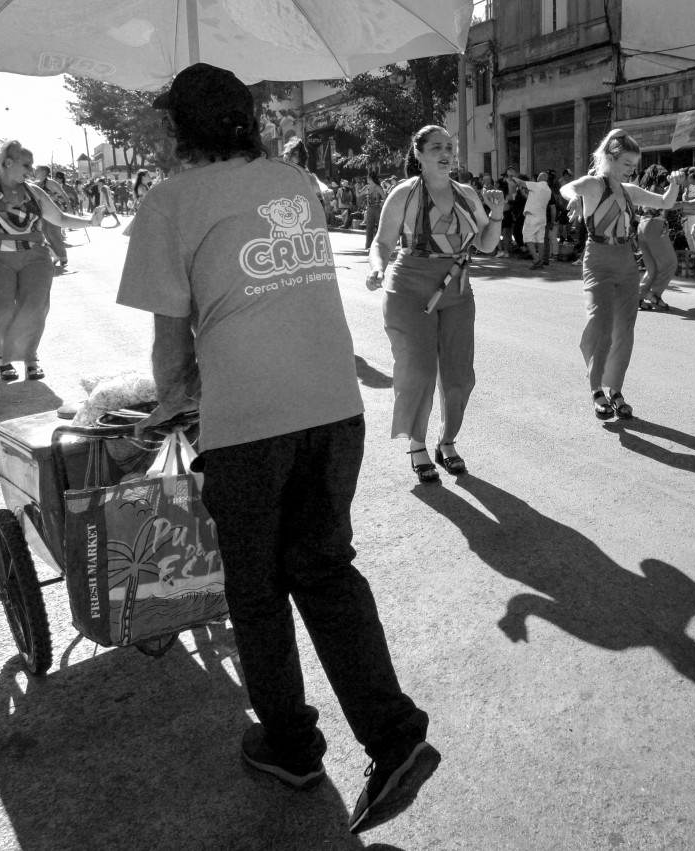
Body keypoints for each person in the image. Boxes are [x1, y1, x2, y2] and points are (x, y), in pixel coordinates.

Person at [118, 63, 439, 835]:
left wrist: (170, 407)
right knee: (325, 569)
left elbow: (171, 343)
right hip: (334, 409)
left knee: (257, 591)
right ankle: (393, 733)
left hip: (251, 424)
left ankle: (291, 743)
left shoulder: (168, 202)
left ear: (181, 129)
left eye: (166, 126)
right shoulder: (293, 181)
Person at [367, 125, 505, 482]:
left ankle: (447, 442)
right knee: (420, 372)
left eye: (450, 147)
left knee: (459, 377)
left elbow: (488, 245)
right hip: (409, 290)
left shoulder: (467, 194)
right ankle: (417, 445)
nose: (446, 153)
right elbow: (381, 243)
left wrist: (497, 213)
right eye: (437, 148)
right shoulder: (404, 194)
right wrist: (377, 269)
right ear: (419, 153)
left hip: (456, 291)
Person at [0, 140, 105, 381]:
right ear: (8, 162)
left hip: (36, 257)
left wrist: (90, 222)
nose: (31, 169)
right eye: (26, 164)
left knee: (34, 308)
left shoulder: (33, 191)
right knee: (1, 309)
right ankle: (2, 356)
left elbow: (58, 218)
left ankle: (30, 356)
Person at [561, 130, 682, 418]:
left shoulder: (630, 191)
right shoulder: (592, 184)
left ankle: (614, 389)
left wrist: (676, 184)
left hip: (626, 262)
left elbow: (665, 202)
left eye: (634, 164)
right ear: (611, 158)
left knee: (624, 330)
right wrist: (575, 199)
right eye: (627, 163)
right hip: (598, 260)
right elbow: (568, 188)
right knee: (600, 325)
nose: (632, 169)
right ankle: (596, 390)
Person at [636, 165, 676, 311]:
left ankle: (639, 297)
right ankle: (654, 294)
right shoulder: (658, 190)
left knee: (652, 268)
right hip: (654, 227)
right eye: (664, 178)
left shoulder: (644, 189)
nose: (665, 181)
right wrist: (688, 203)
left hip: (642, 226)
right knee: (670, 263)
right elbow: (669, 204)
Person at [513, 171, 553, 270]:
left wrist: (513, 177)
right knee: (540, 239)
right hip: (542, 216)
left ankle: (536, 260)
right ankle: (541, 260)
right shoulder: (548, 190)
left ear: (539, 178)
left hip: (532, 216)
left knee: (527, 237)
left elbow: (520, 182)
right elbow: (533, 198)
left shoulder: (536, 185)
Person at [34, 166, 70, 268]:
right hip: (43, 211)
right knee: (46, 234)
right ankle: (56, 256)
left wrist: (70, 207)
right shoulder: (37, 183)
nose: (35, 171)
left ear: (44, 172)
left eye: (37, 170)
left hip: (53, 210)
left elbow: (63, 194)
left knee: (54, 234)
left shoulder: (50, 183)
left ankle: (63, 257)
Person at [359, 173, 386, 251]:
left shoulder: (377, 187)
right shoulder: (367, 187)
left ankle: (379, 245)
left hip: (376, 208)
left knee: (379, 226)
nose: (366, 179)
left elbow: (385, 197)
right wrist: (357, 188)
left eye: (367, 178)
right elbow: (358, 194)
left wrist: (381, 202)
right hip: (369, 208)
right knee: (369, 227)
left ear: (371, 178)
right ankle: (368, 246)